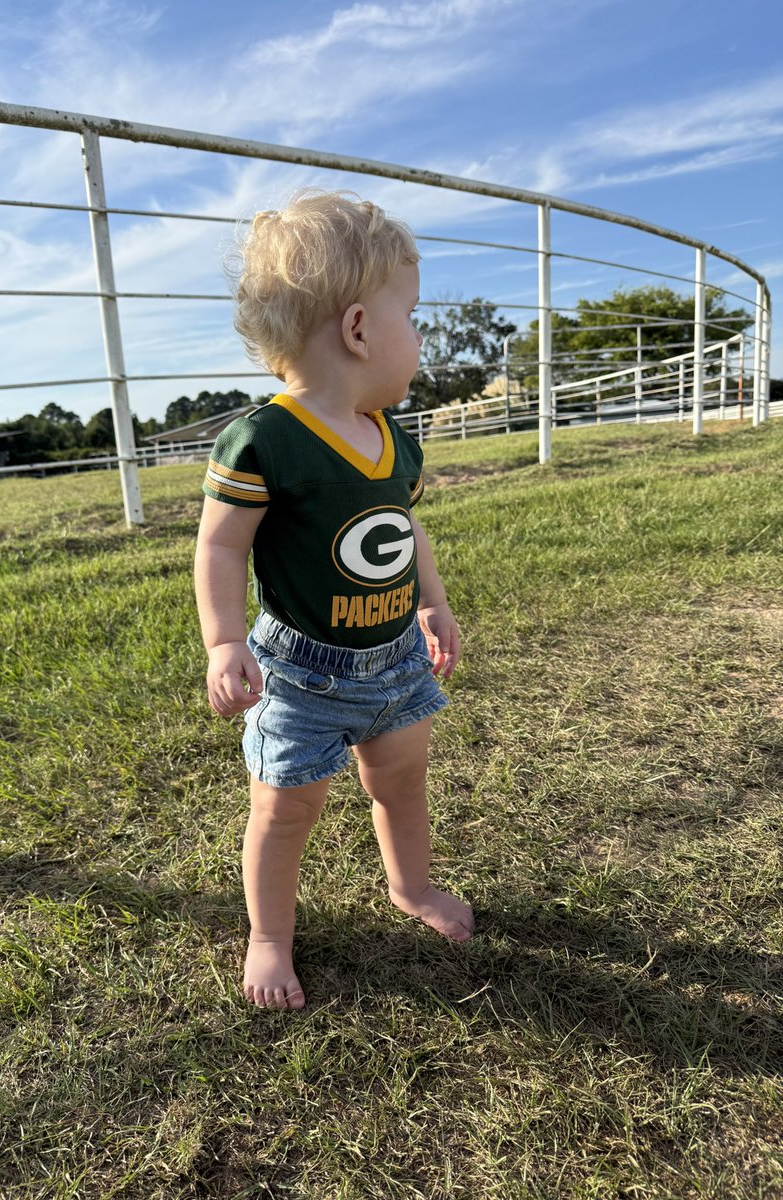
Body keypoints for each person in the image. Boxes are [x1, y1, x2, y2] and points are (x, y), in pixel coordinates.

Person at [194, 189, 473, 1011]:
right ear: (359, 329)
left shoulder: (394, 440)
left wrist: (432, 601)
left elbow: (401, 530)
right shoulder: (263, 441)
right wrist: (222, 641)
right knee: (284, 810)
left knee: (403, 779)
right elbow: (220, 544)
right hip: (300, 675)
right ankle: (270, 936)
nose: (419, 339)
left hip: (394, 661)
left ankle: (411, 887)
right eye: (412, 316)